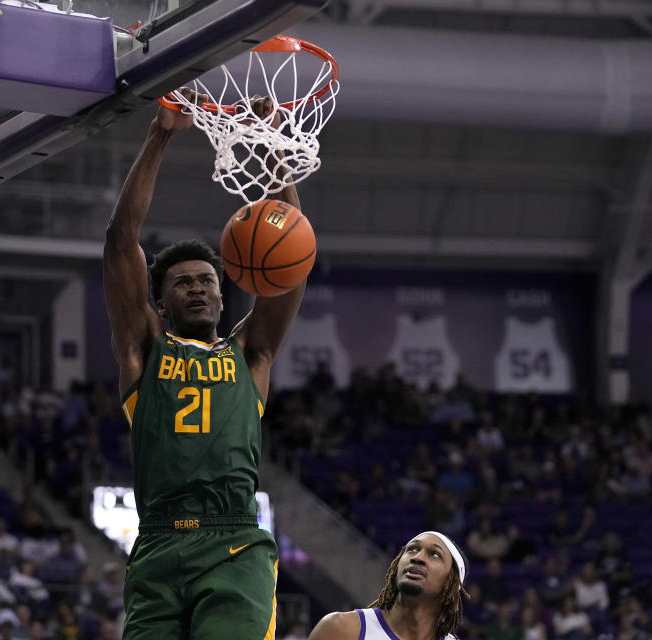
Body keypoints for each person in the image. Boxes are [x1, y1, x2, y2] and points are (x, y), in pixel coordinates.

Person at [103, 93, 306, 639]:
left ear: (223, 298)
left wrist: (272, 146)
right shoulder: (143, 350)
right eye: (182, 282)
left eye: (207, 281)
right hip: (159, 545)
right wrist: (160, 135)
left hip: (233, 542)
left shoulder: (250, 353)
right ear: (161, 304)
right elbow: (121, 243)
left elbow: (290, 256)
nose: (197, 288)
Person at [308, 531, 469, 640]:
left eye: (435, 554)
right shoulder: (342, 629)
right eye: (412, 549)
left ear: (451, 583)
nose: (418, 557)